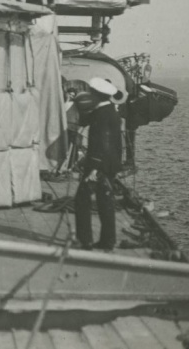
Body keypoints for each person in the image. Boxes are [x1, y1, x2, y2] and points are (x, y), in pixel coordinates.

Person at [74, 77, 123, 252]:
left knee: (81, 199)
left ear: (97, 95)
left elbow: (104, 142)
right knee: (105, 201)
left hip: (99, 165)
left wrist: (94, 168)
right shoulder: (110, 111)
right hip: (109, 164)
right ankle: (107, 241)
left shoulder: (102, 115)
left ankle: (84, 241)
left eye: (92, 93)